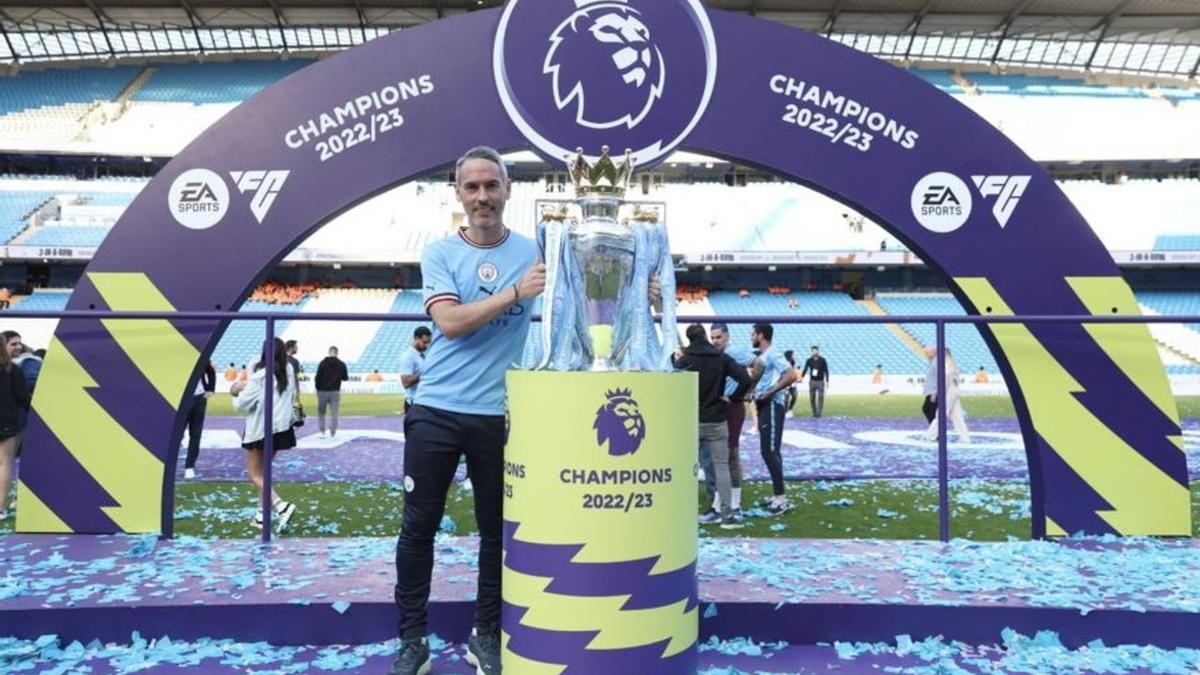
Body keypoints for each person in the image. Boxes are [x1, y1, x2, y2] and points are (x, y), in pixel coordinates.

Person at [391, 146, 544, 675]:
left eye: (491, 186)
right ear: (457, 193)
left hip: (495, 418)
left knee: (493, 532)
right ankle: (413, 639)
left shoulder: (534, 249)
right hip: (435, 409)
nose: (482, 196)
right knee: (419, 527)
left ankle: (486, 636)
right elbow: (452, 324)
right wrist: (515, 292)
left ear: (508, 191)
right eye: (472, 187)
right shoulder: (438, 253)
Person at [673, 324, 751, 529]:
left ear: (689, 340)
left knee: (685, 468)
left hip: (692, 420)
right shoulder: (720, 358)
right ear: (706, 337)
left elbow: (670, 376)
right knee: (722, 467)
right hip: (717, 419)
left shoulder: (686, 360)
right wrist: (734, 397)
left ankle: (680, 513)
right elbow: (744, 378)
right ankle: (727, 515)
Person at [231, 338, 298, 532]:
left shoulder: (261, 376)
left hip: (260, 430)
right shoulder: (288, 372)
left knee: (254, 474)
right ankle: (261, 516)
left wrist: (237, 391)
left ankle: (281, 506)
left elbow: (241, 404)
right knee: (264, 474)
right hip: (281, 429)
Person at [750, 323, 796, 515]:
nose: (751, 336)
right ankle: (778, 496)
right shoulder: (762, 356)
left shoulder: (773, 353)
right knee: (770, 451)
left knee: (769, 451)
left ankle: (781, 498)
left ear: (761, 335)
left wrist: (769, 392)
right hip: (764, 405)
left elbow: (791, 374)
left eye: (753, 333)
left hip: (772, 405)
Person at [709, 323, 755, 517]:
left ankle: (734, 502)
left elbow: (758, 365)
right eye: (712, 338)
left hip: (732, 408)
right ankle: (720, 502)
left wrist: (743, 392)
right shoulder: (715, 354)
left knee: (731, 454)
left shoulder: (736, 351)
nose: (715, 341)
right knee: (719, 457)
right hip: (719, 408)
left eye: (718, 337)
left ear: (727, 336)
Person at [0, 341, 28, 519]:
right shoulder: (12, 370)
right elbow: (22, 397)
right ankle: (0, 507)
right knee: (4, 463)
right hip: (6, 420)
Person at [926, 348, 971, 444]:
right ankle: (965, 437)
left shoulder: (945, 363)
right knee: (956, 415)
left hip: (949, 390)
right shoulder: (950, 362)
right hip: (954, 389)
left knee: (941, 413)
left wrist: (939, 392)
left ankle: (930, 435)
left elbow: (947, 379)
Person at [182, 361, 216, 480]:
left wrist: (211, 389)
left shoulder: (199, 353)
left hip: (199, 399)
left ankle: (189, 466)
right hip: (180, 399)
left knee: (195, 433)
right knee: (176, 434)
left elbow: (211, 371)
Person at [315, 346, 349, 438]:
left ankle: (322, 431)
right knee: (334, 413)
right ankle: (332, 432)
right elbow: (345, 378)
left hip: (322, 391)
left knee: (321, 412)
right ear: (337, 353)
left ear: (329, 352)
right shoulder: (341, 364)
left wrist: (318, 389)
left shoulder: (322, 363)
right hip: (334, 391)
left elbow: (317, 377)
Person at [399, 326, 432, 414]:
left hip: (423, 402)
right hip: (414, 403)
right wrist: (426, 371)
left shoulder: (421, 355)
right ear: (416, 338)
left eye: (429, 343)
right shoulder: (408, 356)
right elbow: (405, 383)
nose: (427, 345)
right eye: (424, 342)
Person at [800, 345, 829, 418]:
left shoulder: (823, 360)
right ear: (811, 351)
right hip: (812, 381)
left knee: (820, 397)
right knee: (812, 397)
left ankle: (819, 412)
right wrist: (801, 377)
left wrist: (827, 380)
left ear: (818, 351)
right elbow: (805, 369)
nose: (815, 352)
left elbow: (826, 370)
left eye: (816, 351)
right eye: (814, 351)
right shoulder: (809, 360)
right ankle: (814, 412)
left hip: (820, 381)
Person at [920, 346, 937, 423]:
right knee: (927, 409)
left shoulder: (936, 363)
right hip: (930, 391)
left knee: (929, 410)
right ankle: (934, 429)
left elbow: (938, 378)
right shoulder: (932, 362)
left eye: (927, 352)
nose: (925, 354)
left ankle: (935, 430)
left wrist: (934, 392)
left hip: (933, 392)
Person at [782, 349, 799, 414]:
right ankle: (786, 411)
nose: (794, 356)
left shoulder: (793, 363)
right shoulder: (783, 363)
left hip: (792, 383)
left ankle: (790, 409)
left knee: (794, 395)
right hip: (786, 383)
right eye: (793, 355)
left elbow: (795, 371)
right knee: (786, 398)